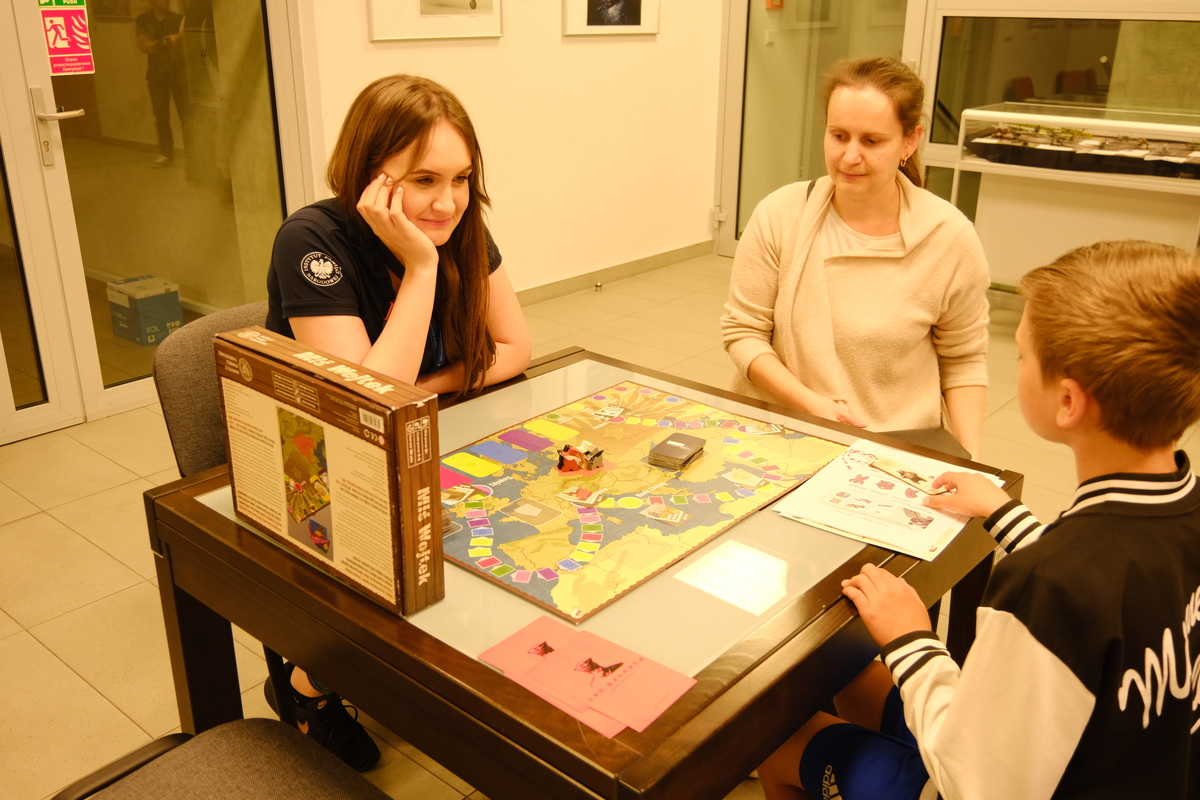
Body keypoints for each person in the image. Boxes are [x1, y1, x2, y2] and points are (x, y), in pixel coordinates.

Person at [757, 240, 1200, 799]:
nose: (1016, 365)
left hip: (980, 781)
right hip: (1122, 761)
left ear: (1067, 401)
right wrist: (1003, 512)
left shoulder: (1045, 584)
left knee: (775, 736)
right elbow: (1112, 582)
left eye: (1022, 356)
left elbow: (974, 782)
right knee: (852, 674)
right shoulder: (1177, 508)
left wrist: (912, 637)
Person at [264, 74, 531, 770]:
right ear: (370, 175)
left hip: (415, 435)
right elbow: (363, 405)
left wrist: (424, 390)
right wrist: (420, 268)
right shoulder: (311, 240)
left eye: (461, 179)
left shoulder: (463, 227)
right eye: (423, 180)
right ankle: (304, 683)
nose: (447, 203)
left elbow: (514, 347)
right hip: (316, 464)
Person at [722, 57, 989, 459]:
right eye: (838, 136)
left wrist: (969, 461)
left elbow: (964, 360)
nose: (849, 156)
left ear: (910, 141)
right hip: (781, 432)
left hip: (894, 448)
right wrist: (810, 405)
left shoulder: (948, 237)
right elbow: (744, 334)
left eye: (871, 141)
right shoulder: (780, 215)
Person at [135, 0, 187, 168]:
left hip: (177, 72)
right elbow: (144, 46)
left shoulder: (177, 18)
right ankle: (166, 154)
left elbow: (183, 40)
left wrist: (174, 40)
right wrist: (161, 43)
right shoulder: (143, 20)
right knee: (161, 116)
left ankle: (193, 155)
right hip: (156, 73)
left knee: (186, 115)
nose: (165, 1)